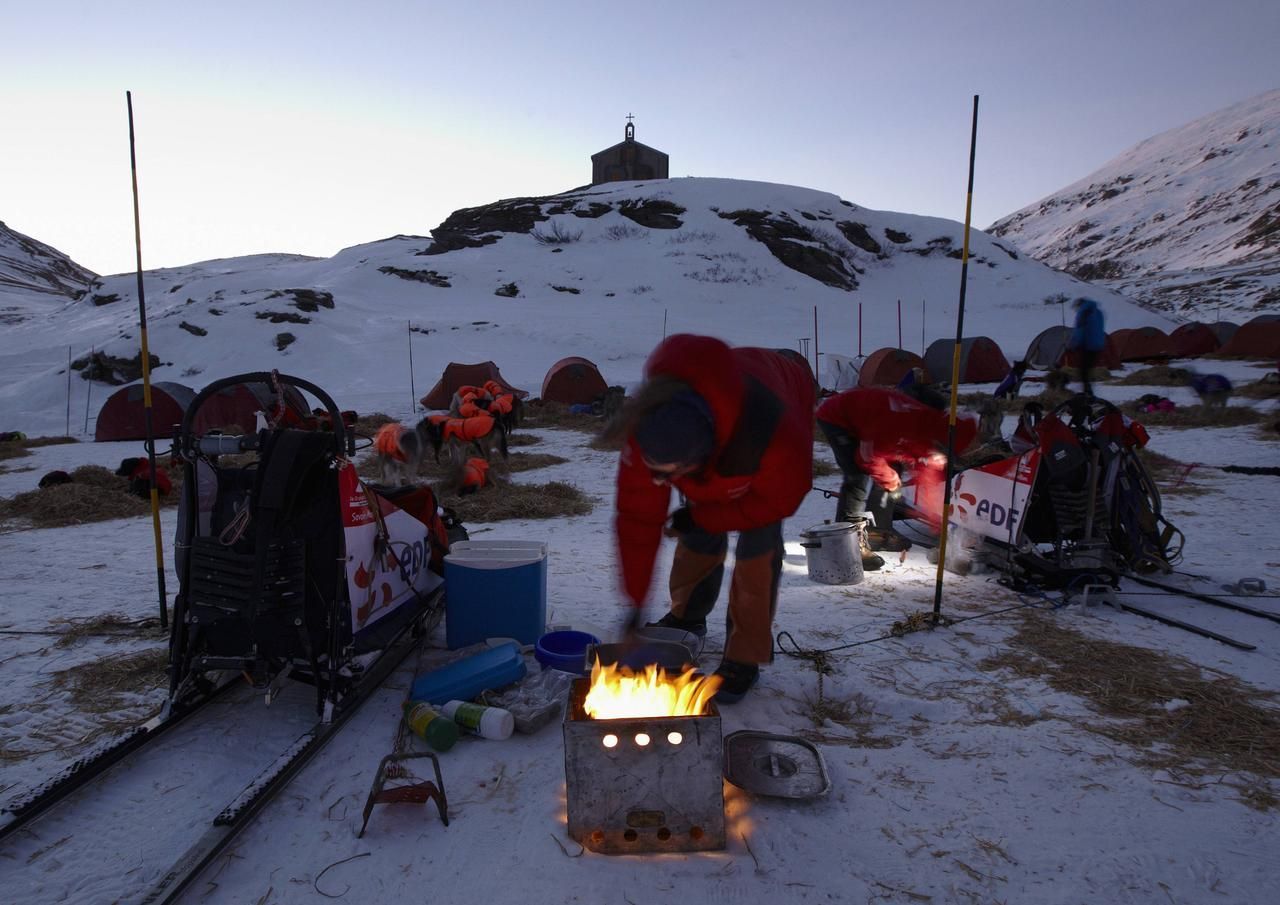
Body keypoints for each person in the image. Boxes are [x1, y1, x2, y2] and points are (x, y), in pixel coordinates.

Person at [611, 334, 814, 704]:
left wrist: (707, 516)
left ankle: (744, 656)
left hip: (781, 394)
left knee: (758, 548)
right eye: (653, 471)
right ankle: (688, 615)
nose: (658, 482)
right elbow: (637, 522)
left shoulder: (775, 434)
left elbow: (778, 502)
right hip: (718, 410)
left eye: (668, 473)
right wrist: (634, 610)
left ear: (702, 457)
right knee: (697, 527)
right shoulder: (653, 426)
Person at [815, 384, 978, 568]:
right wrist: (890, 481)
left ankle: (878, 530)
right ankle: (847, 544)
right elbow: (867, 458)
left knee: (894, 466)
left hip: (872, 423)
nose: (941, 456)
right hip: (837, 417)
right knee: (857, 477)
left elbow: (928, 478)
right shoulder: (900, 424)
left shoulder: (930, 429)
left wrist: (938, 523)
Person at [1067, 297, 1106, 396]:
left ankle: (1087, 393)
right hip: (1098, 345)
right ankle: (1088, 391)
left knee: (1083, 371)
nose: (1076, 310)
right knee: (1088, 369)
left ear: (1079, 305)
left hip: (1087, 345)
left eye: (1076, 308)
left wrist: (1073, 344)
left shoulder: (1083, 313)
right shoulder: (1098, 312)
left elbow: (1080, 330)